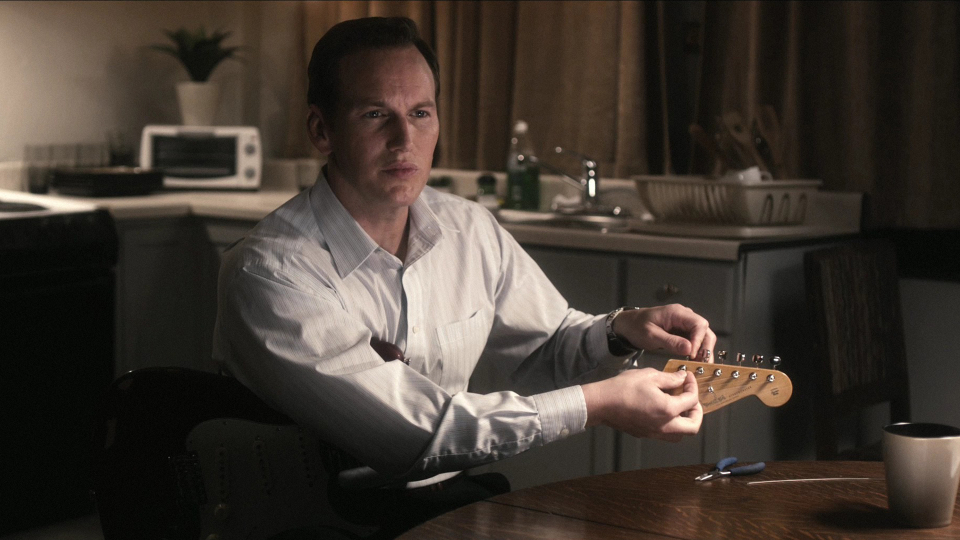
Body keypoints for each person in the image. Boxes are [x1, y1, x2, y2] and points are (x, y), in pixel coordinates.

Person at [213, 16, 716, 537]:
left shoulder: (468, 228)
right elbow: (417, 435)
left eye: (420, 113)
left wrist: (620, 330)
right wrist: (601, 404)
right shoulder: (269, 271)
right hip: (315, 523)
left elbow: (547, 346)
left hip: (446, 505)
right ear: (322, 130)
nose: (404, 139)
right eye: (375, 114)